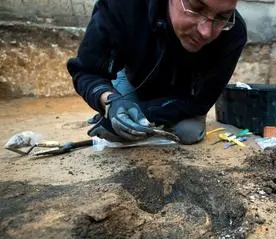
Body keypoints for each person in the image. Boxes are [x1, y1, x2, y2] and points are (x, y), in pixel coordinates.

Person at [67, 0, 247, 145]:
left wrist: (143, 114)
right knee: (120, 128)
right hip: (134, 82)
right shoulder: (123, 5)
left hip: (183, 98)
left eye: (222, 16)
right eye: (197, 7)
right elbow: (86, 70)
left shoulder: (233, 33)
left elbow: (199, 102)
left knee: (188, 133)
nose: (206, 32)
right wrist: (109, 101)